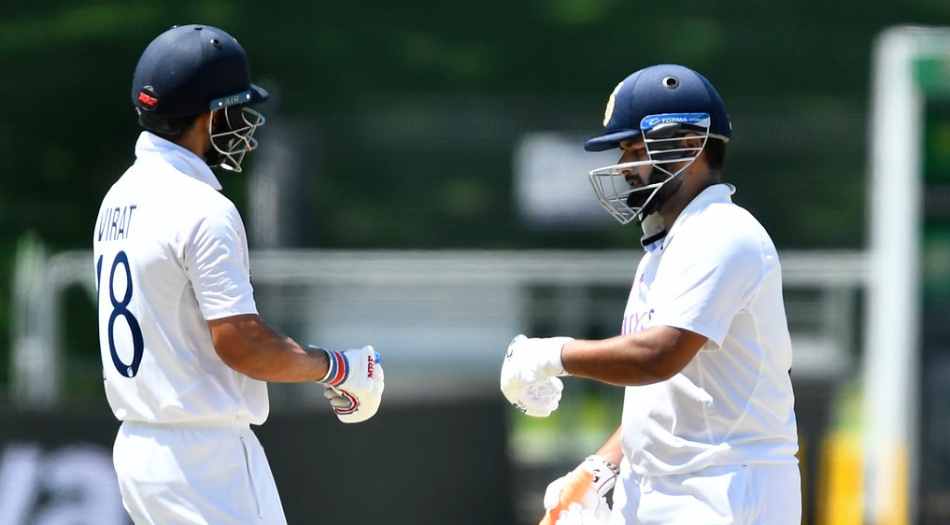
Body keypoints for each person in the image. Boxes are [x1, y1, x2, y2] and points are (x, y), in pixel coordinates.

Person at [93, 24, 384, 524]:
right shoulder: (203, 209)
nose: (245, 125)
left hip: (140, 449)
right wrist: (337, 368)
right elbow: (243, 344)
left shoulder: (118, 198)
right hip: (205, 460)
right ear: (210, 115)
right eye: (236, 110)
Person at [500, 64, 800, 524]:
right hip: (666, 490)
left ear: (688, 145)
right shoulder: (665, 249)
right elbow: (664, 394)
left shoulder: (723, 232)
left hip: (724, 492)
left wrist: (553, 354)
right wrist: (601, 468)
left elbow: (658, 357)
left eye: (636, 150)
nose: (625, 169)